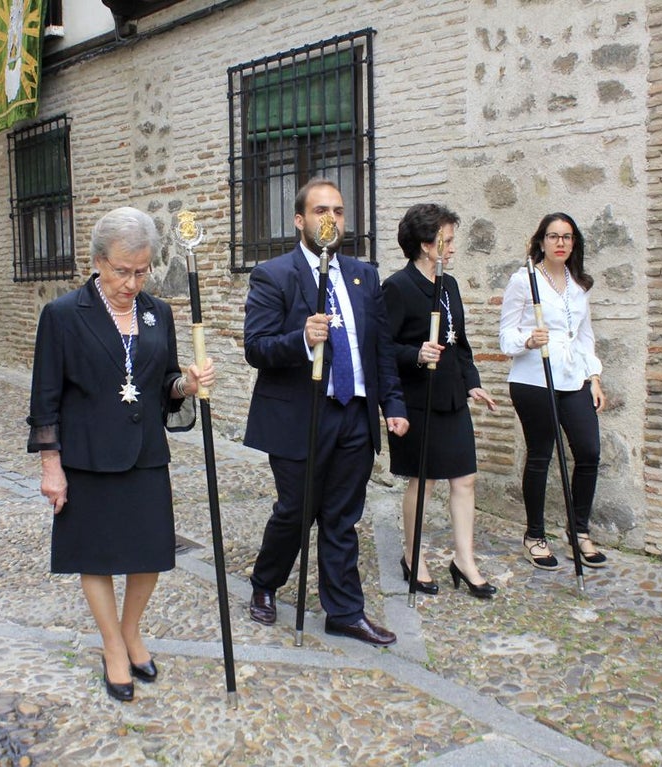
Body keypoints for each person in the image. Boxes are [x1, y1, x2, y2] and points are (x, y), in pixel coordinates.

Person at [27, 206, 214, 703]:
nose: (133, 282)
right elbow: (44, 398)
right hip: (87, 456)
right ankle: (113, 645)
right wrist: (51, 466)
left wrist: (186, 384)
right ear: (96, 262)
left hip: (145, 453)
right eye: (122, 271)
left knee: (148, 552)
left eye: (142, 270)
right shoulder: (64, 315)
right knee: (96, 554)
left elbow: (165, 385)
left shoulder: (159, 313)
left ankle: (132, 630)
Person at [244, 178, 409, 647]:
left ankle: (344, 610)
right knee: (296, 511)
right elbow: (256, 348)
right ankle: (265, 582)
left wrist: (392, 405)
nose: (330, 218)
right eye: (320, 210)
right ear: (300, 220)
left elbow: (378, 349)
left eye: (337, 209)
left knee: (342, 517)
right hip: (300, 414)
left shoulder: (364, 275)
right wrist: (302, 339)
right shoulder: (274, 275)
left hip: (353, 413)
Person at [382, 204, 499, 599]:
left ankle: (464, 559)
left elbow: (458, 342)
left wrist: (472, 382)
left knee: (464, 478)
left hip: (451, 397)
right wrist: (416, 353)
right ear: (425, 245)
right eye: (446, 241)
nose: (451, 248)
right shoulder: (397, 287)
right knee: (425, 480)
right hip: (416, 398)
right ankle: (412, 555)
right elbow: (382, 348)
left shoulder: (448, 285)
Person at [499, 212, 607, 570]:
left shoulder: (578, 285)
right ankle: (535, 535)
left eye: (567, 237)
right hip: (534, 379)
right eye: (553, 236)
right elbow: (505, 337)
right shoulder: (524, 280)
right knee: (542, 455)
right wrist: (528, 339)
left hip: (574, 378)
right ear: (541, 241)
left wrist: (594, 376)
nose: (560, 243)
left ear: (574, 243)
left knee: (589, 451)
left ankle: (578, 531)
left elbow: (585, 335)